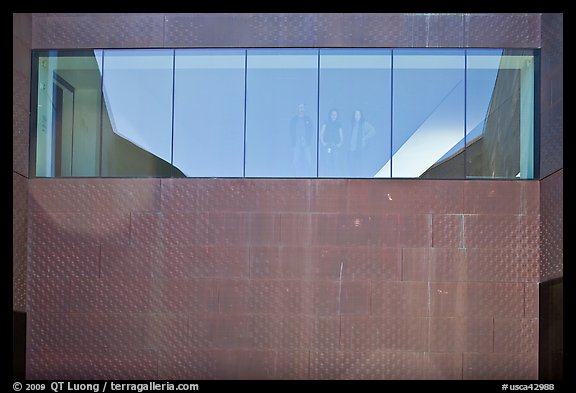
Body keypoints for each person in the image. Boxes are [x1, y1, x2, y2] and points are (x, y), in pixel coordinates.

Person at [348, 109, 376, 177]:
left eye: (358, 114)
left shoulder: (364, 124)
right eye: (355, 115)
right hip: (352, 149)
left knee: (359, 166)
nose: (357, 116)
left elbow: (373, 131)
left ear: (361, 116)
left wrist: (365, 138)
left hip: (360, 148)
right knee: (352, 167)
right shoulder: (352, 124)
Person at [290, 103, 314, 172]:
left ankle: (308, 174)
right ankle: (296, 174)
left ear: (304, 109)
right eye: (300, 108)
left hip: (306, 140)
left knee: (308, 159)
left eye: (302, 108)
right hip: (297, 140)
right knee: (296, 159)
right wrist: (294, 139)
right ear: (297, 109)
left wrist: (308, 139)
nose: (301, 109)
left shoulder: (308, 119)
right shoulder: (294, 120)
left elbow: (311, 130)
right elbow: (291, 131)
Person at [320, 109, 344, 176]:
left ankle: (334, 177)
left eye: (335, 115)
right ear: (330, 115)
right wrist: (323, 142)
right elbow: (321, 133)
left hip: (335, 145)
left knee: (335, 162)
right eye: (332, 114)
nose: (334, 116)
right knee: (327, 162)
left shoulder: (339, 124)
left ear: (337, 116)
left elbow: (341, 135)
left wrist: (340, 144)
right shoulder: (326, 122)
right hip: (327, 145)